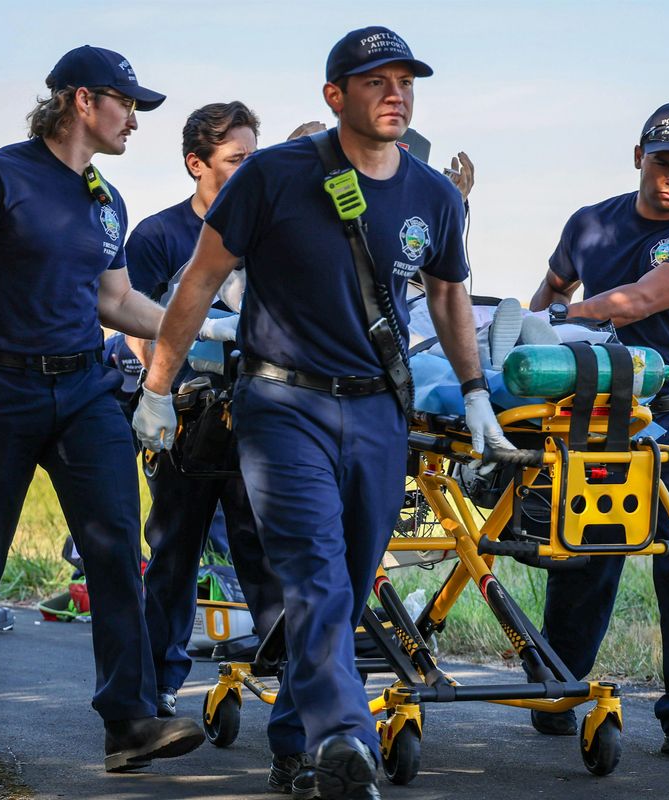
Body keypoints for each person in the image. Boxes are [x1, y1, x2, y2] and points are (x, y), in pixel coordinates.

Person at [134, 26, 512, 800]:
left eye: (406, 80)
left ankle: (295, 745)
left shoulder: (433, 196)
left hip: (378, 412)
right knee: (314, 575)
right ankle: (345, 733)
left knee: (350, 576)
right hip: (282, 405)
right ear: (336, 96)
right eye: (378, 81)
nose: (397, 93)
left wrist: (474, 391)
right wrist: (156, 388)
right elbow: (200, 282)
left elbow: (446, 297)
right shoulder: (271, 177)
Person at [0, 44, 228, 772]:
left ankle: (129, 720)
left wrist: (199, 327)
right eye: (128, 104)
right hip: (1, 387)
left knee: (118, 546)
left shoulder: (105, 200)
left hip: (86, 388)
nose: (136, 121)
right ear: (82, 102)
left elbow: (114, 300)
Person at [527, 101, 669, 759]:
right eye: (662, 162)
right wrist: (532, 335)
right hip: (595, 412)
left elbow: (643, 298)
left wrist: (567, 316)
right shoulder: (590, 222)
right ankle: (558, 690)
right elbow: (547, 295)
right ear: (638, 156)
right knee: (585, 552)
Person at [126, 101, 282, 721]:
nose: (249, 171)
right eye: (236, 160)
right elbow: (132, 322)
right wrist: (157, 392)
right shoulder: (159, 236)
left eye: (254, 158)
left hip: (258, 419)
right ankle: (157, 684)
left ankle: (289, 682)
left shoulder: (267, 234)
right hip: (183, 423)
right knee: (173, 554)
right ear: (197, 164)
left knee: (265, 554)